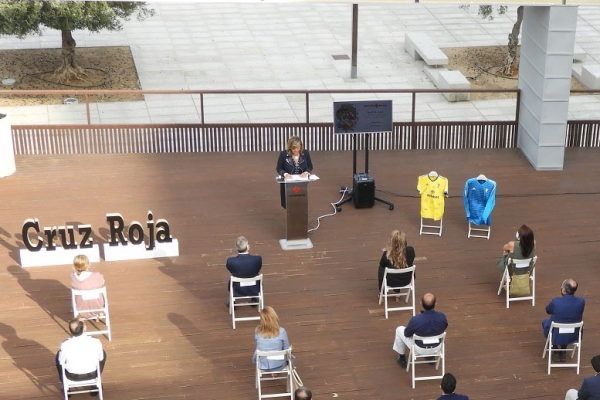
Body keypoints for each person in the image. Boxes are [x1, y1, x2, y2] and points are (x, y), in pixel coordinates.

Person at [393, 293, 448, 368]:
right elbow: (444, 327)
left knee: (399, 330)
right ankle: (430, 356)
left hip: (419, 348)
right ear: (435, 303)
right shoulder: (442, 317)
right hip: (437, 347)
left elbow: (406, 334)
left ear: (421, 303)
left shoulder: (416, 320)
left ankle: (402, 358)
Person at [55, 318, 106, 395]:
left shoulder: (65, 344)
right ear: (84, 329)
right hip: (92, 374)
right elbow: (101, 358)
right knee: (103, 354)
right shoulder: (95, 342)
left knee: (58, 358)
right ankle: (96, 384)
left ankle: (65, 386)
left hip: (72, 376)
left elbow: (61, 362)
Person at [542, 278, 585, 362]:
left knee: (546, 322)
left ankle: (555, 349)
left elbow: (548, 310)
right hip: (574, 333)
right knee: (567, 324)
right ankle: (563, 350)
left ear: (564, 290)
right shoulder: (581, 301)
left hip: (556, 333)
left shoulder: (556, 301)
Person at [276, 136, 313, 208]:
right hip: (288, 183)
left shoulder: (305, 153)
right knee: (289, 204)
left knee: (300, 201)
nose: (296, 150)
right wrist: (285, 174)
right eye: (294, 148)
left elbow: (310, 167)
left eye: (298, 148)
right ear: (290, 147)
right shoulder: (283, 154)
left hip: (301, 182)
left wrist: (306, 172)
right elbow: (279, 168)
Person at [225, 236, 262, 307]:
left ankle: (232, 301)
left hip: (237, 289)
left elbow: (230, 269)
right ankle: (254, 298)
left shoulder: (231, 261)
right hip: (254, 287)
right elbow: (258, 269)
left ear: (237, 248)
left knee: (234, 278)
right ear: (247, 247)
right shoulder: (257, 259)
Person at [253, 306, 291, 371]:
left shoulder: (257, 332)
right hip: (279, 365)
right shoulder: (282, 331)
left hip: (263, 365)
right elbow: (286, 349)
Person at [71, 254, 105, 318]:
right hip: (98, 308)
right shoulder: (96, 276)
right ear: (88, 264)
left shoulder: (73, 277)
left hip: (80, 310)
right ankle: (99, 313)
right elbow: (102, 282)